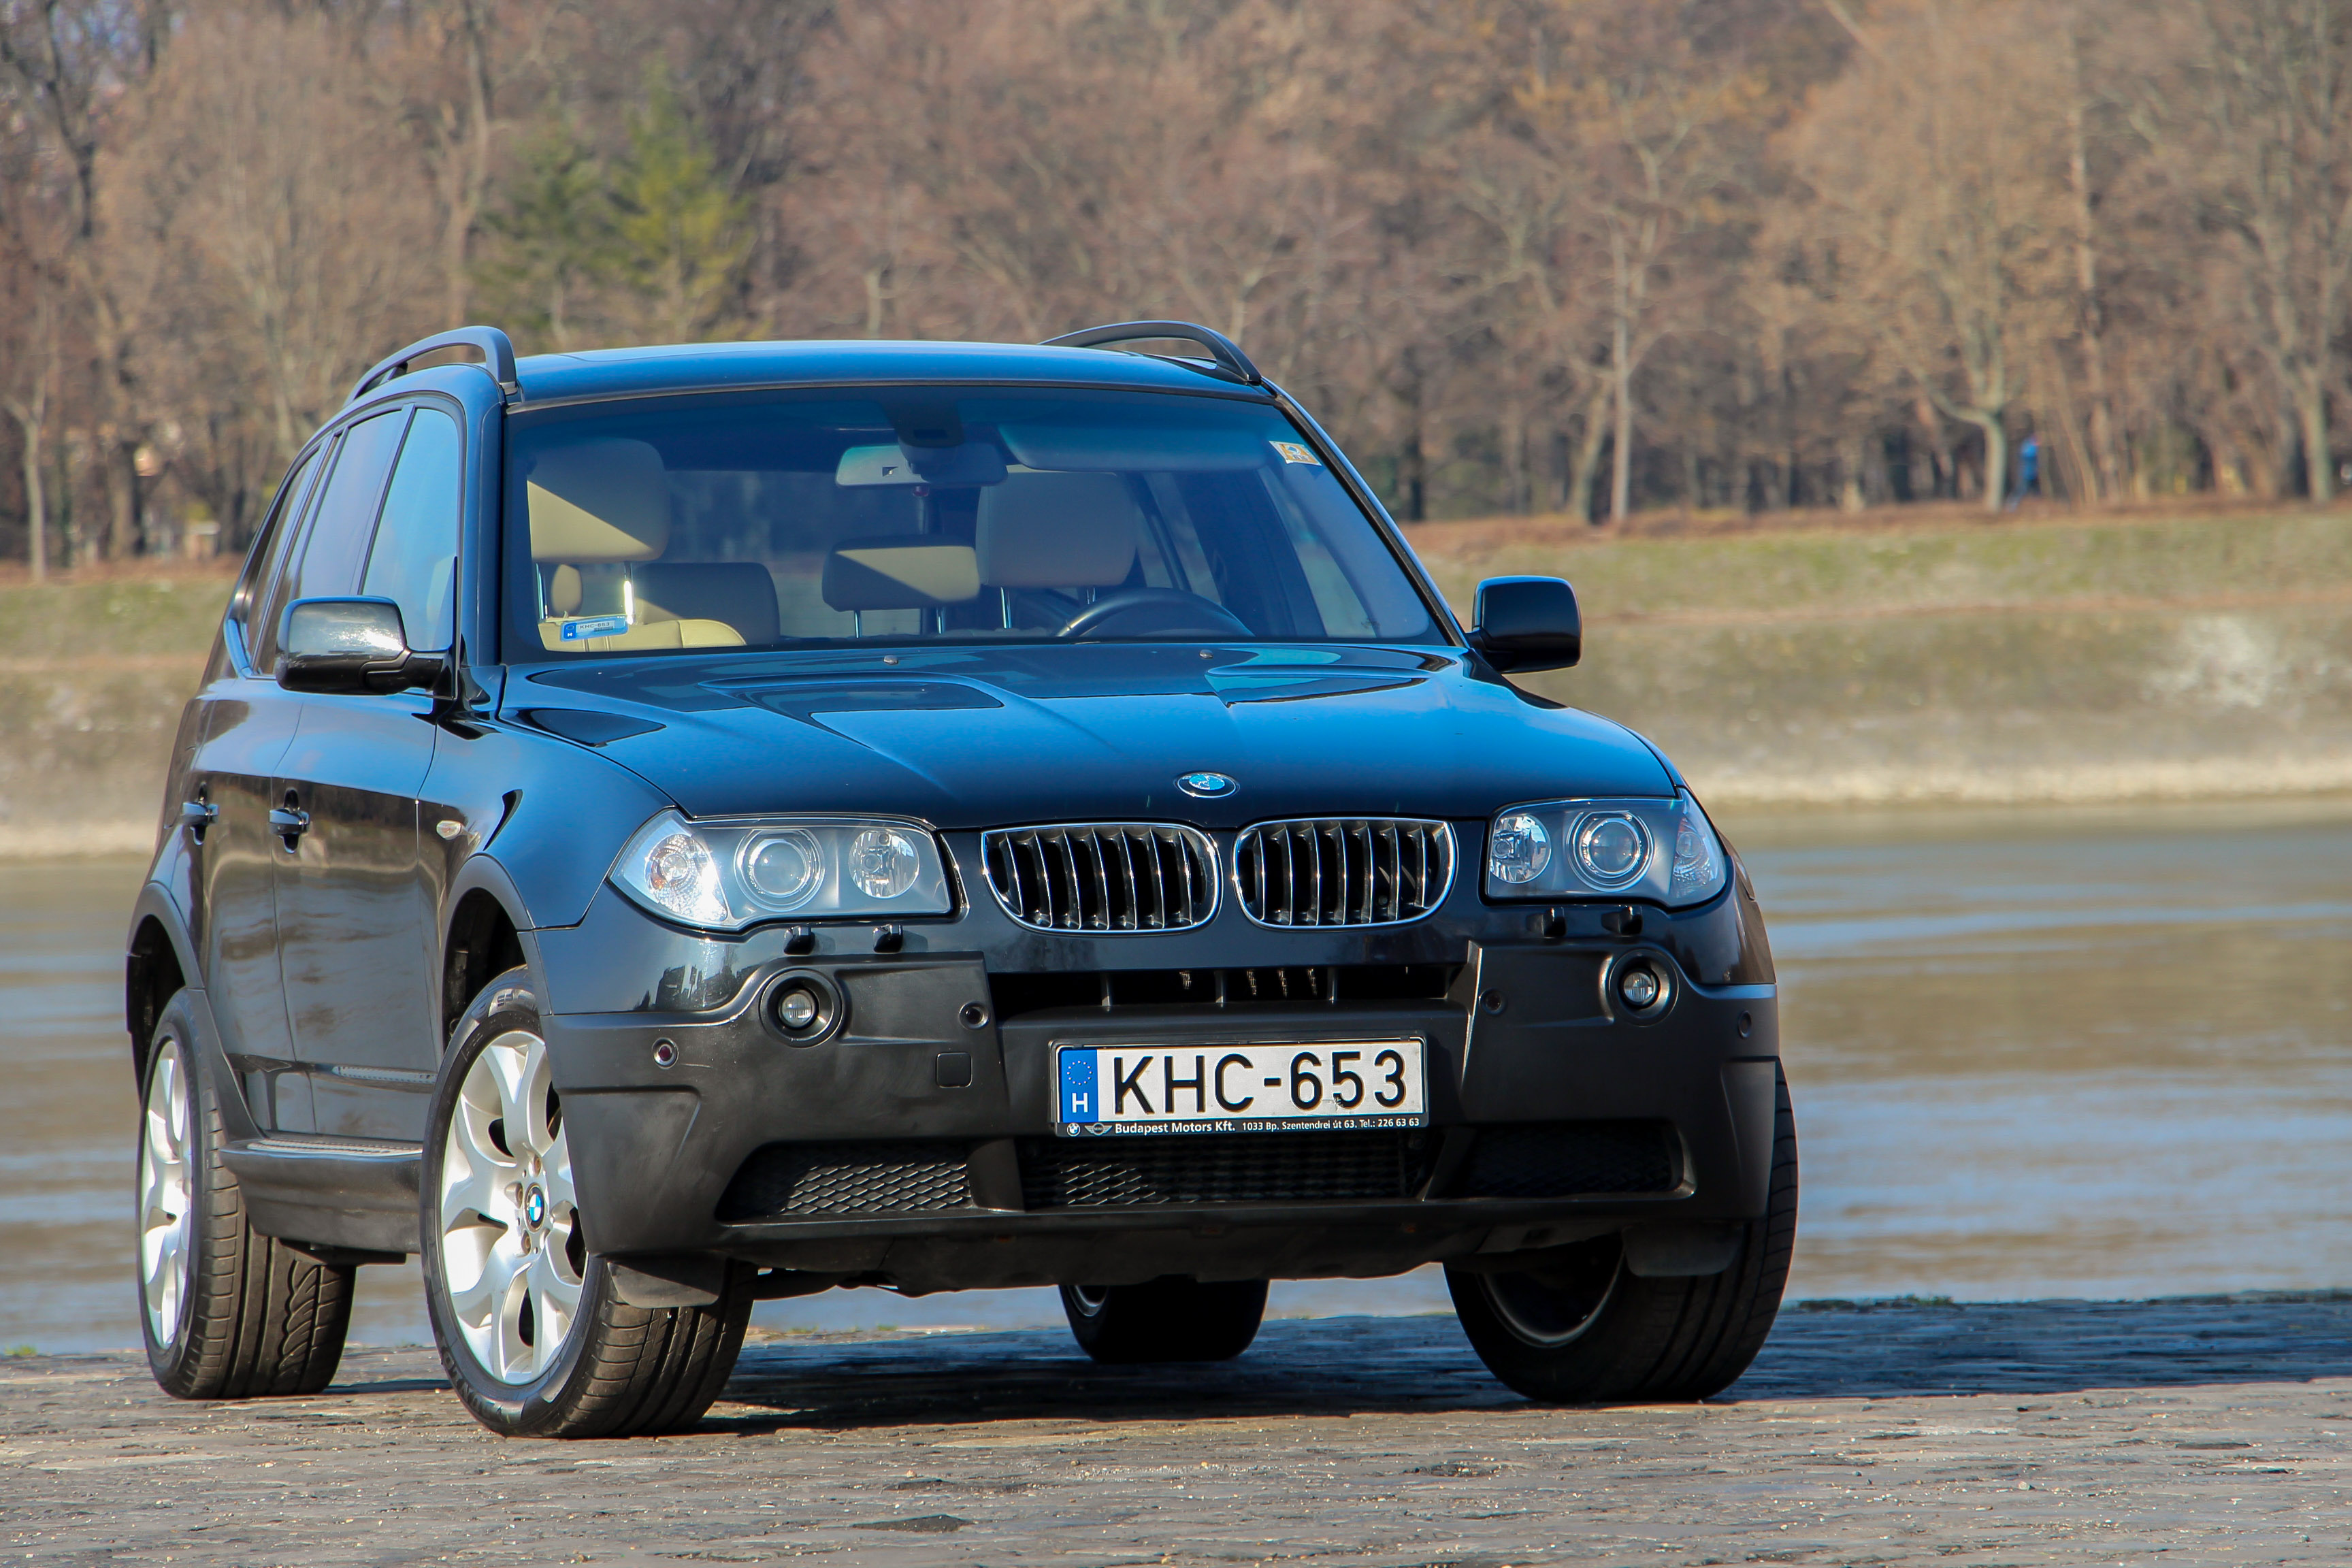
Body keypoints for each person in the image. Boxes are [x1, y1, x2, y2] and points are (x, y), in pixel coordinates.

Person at [2008, 434, 2040, 510]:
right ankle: (2012, 505)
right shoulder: (2029, 449)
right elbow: (2029, 457)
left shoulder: (2028, 447)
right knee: (2022, 490)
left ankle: (2037, 508)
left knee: (2036, 492)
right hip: (2026, 474)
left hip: (2031, 474)